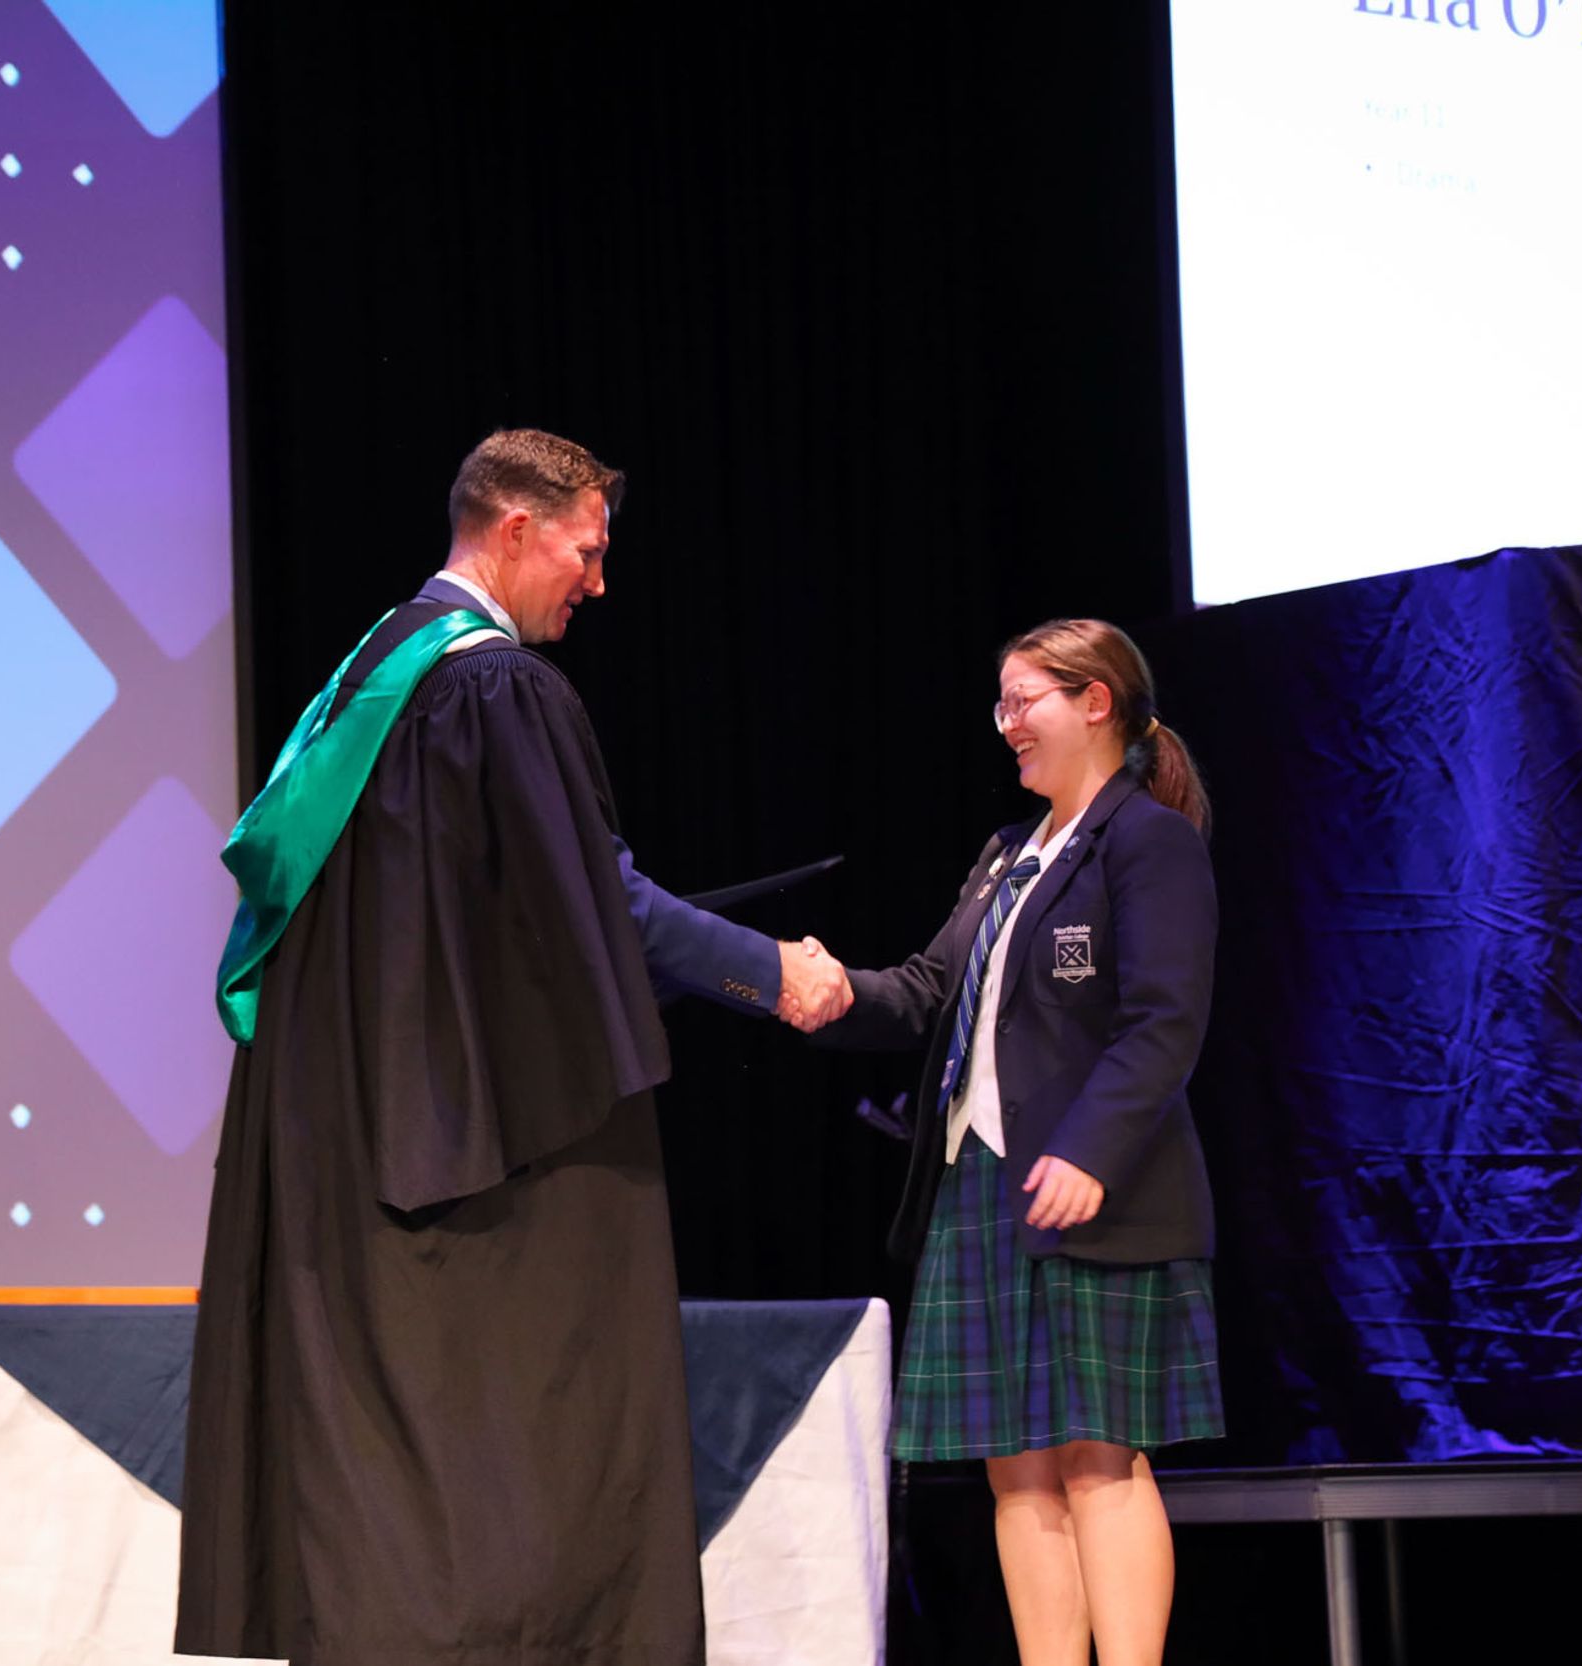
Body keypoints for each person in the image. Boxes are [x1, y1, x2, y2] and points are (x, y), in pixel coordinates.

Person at [175, 428, 850, 1666]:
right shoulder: (494, 687)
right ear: (517, 528)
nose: (598, 581)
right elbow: (598, 902)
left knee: (375, 1457)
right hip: (471, 1141)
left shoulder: (372, 674)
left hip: (347, 1128)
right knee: (517, 1450)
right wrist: (772, 972)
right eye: (586, 551)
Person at [823, 618, 1221, 1666]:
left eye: (1023, 699)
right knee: (1016, 1466)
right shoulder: (1009, 853)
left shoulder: (1147, 839)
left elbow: (1164, 1021)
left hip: (1095, 1183)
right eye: (998, 703)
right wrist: (813, 985)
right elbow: (926, 989)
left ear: (1096, 702)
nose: (1005, 723)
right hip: (981, 1182)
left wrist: (1091, 1150)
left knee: (1098, 1459)